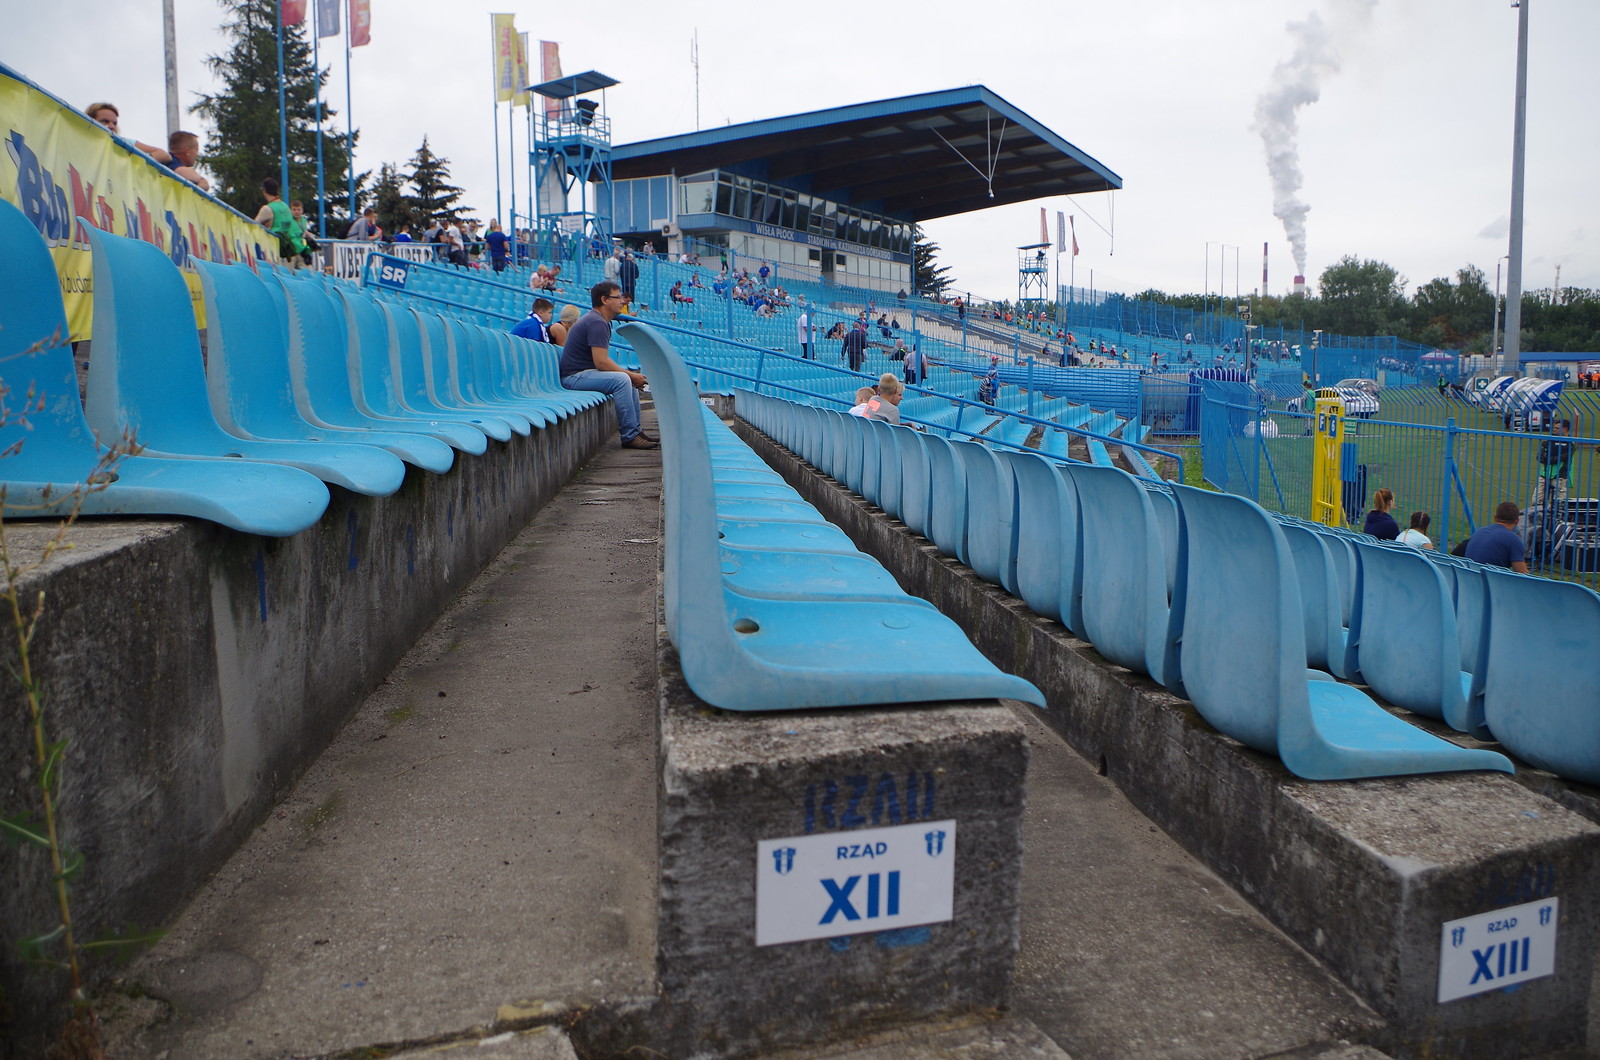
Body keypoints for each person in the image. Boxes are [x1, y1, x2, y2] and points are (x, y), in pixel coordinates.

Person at [558, 281, 656, 449]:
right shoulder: (597, 322)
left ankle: (635, 431)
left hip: (583, 374)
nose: (622, 301)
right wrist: (631, 375)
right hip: (573, 378)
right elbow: (601, 362)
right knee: (623, 379)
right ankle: (629, 435)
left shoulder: (598, 320)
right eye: (616, 297)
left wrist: (630, 375)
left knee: (626, 379)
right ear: (604, 300)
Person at [85, 101, 170, 163]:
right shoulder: (81, 139)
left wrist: (134, 162)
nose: (111, 126)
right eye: (105, 121)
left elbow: (164, 155)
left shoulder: (125, 143)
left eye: (114, 123)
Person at [1464, 501, 1529, 573]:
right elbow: (1523, 573)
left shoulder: (1479, 532)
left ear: (1495, 517)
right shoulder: (1513, 540)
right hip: (1491, 582)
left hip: (1470, 579)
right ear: (1517, 520)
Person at [254, 178, 304, 263]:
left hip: (271, 250)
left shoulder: (267, 209)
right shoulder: (286, 207)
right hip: (287, 249)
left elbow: (253, 226)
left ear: (264, 191)